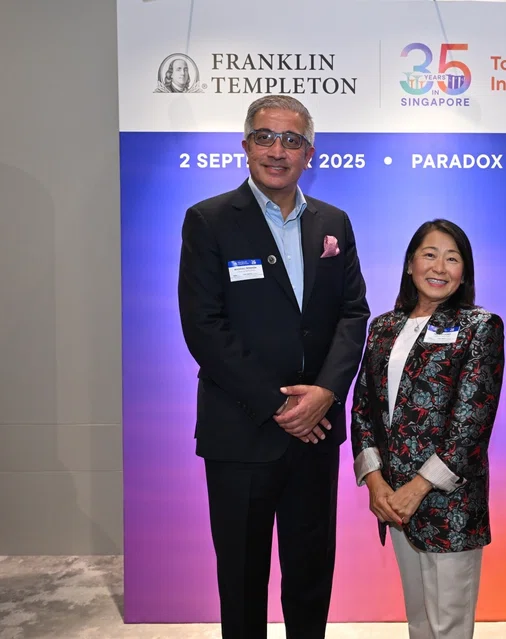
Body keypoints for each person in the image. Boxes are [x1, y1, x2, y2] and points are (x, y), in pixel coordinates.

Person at [177, 95, 370, 639]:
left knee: (311, 575)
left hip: (316, 432)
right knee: (241, 581)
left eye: (291, 140)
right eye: (265, 137)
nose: (277, 150)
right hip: (241, 432)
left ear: (310, 153)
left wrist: (326, 393)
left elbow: (353, 313)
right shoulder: (209, 221)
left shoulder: (334, 222)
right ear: (245, 146)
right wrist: (280, 404)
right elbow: (204, 328)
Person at [350, 219, 504, 639]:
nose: (440, 266)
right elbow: (363, 409)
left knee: (449, 626)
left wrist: (416, 488)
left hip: (449, 502)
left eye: (453, 258)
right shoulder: (383, 328)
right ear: (409, 264)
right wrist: (376, 484)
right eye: (430, 254)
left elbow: (471, 422)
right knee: (418, 621)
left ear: (464, 271)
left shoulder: (480, 326)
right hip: (394, 503)